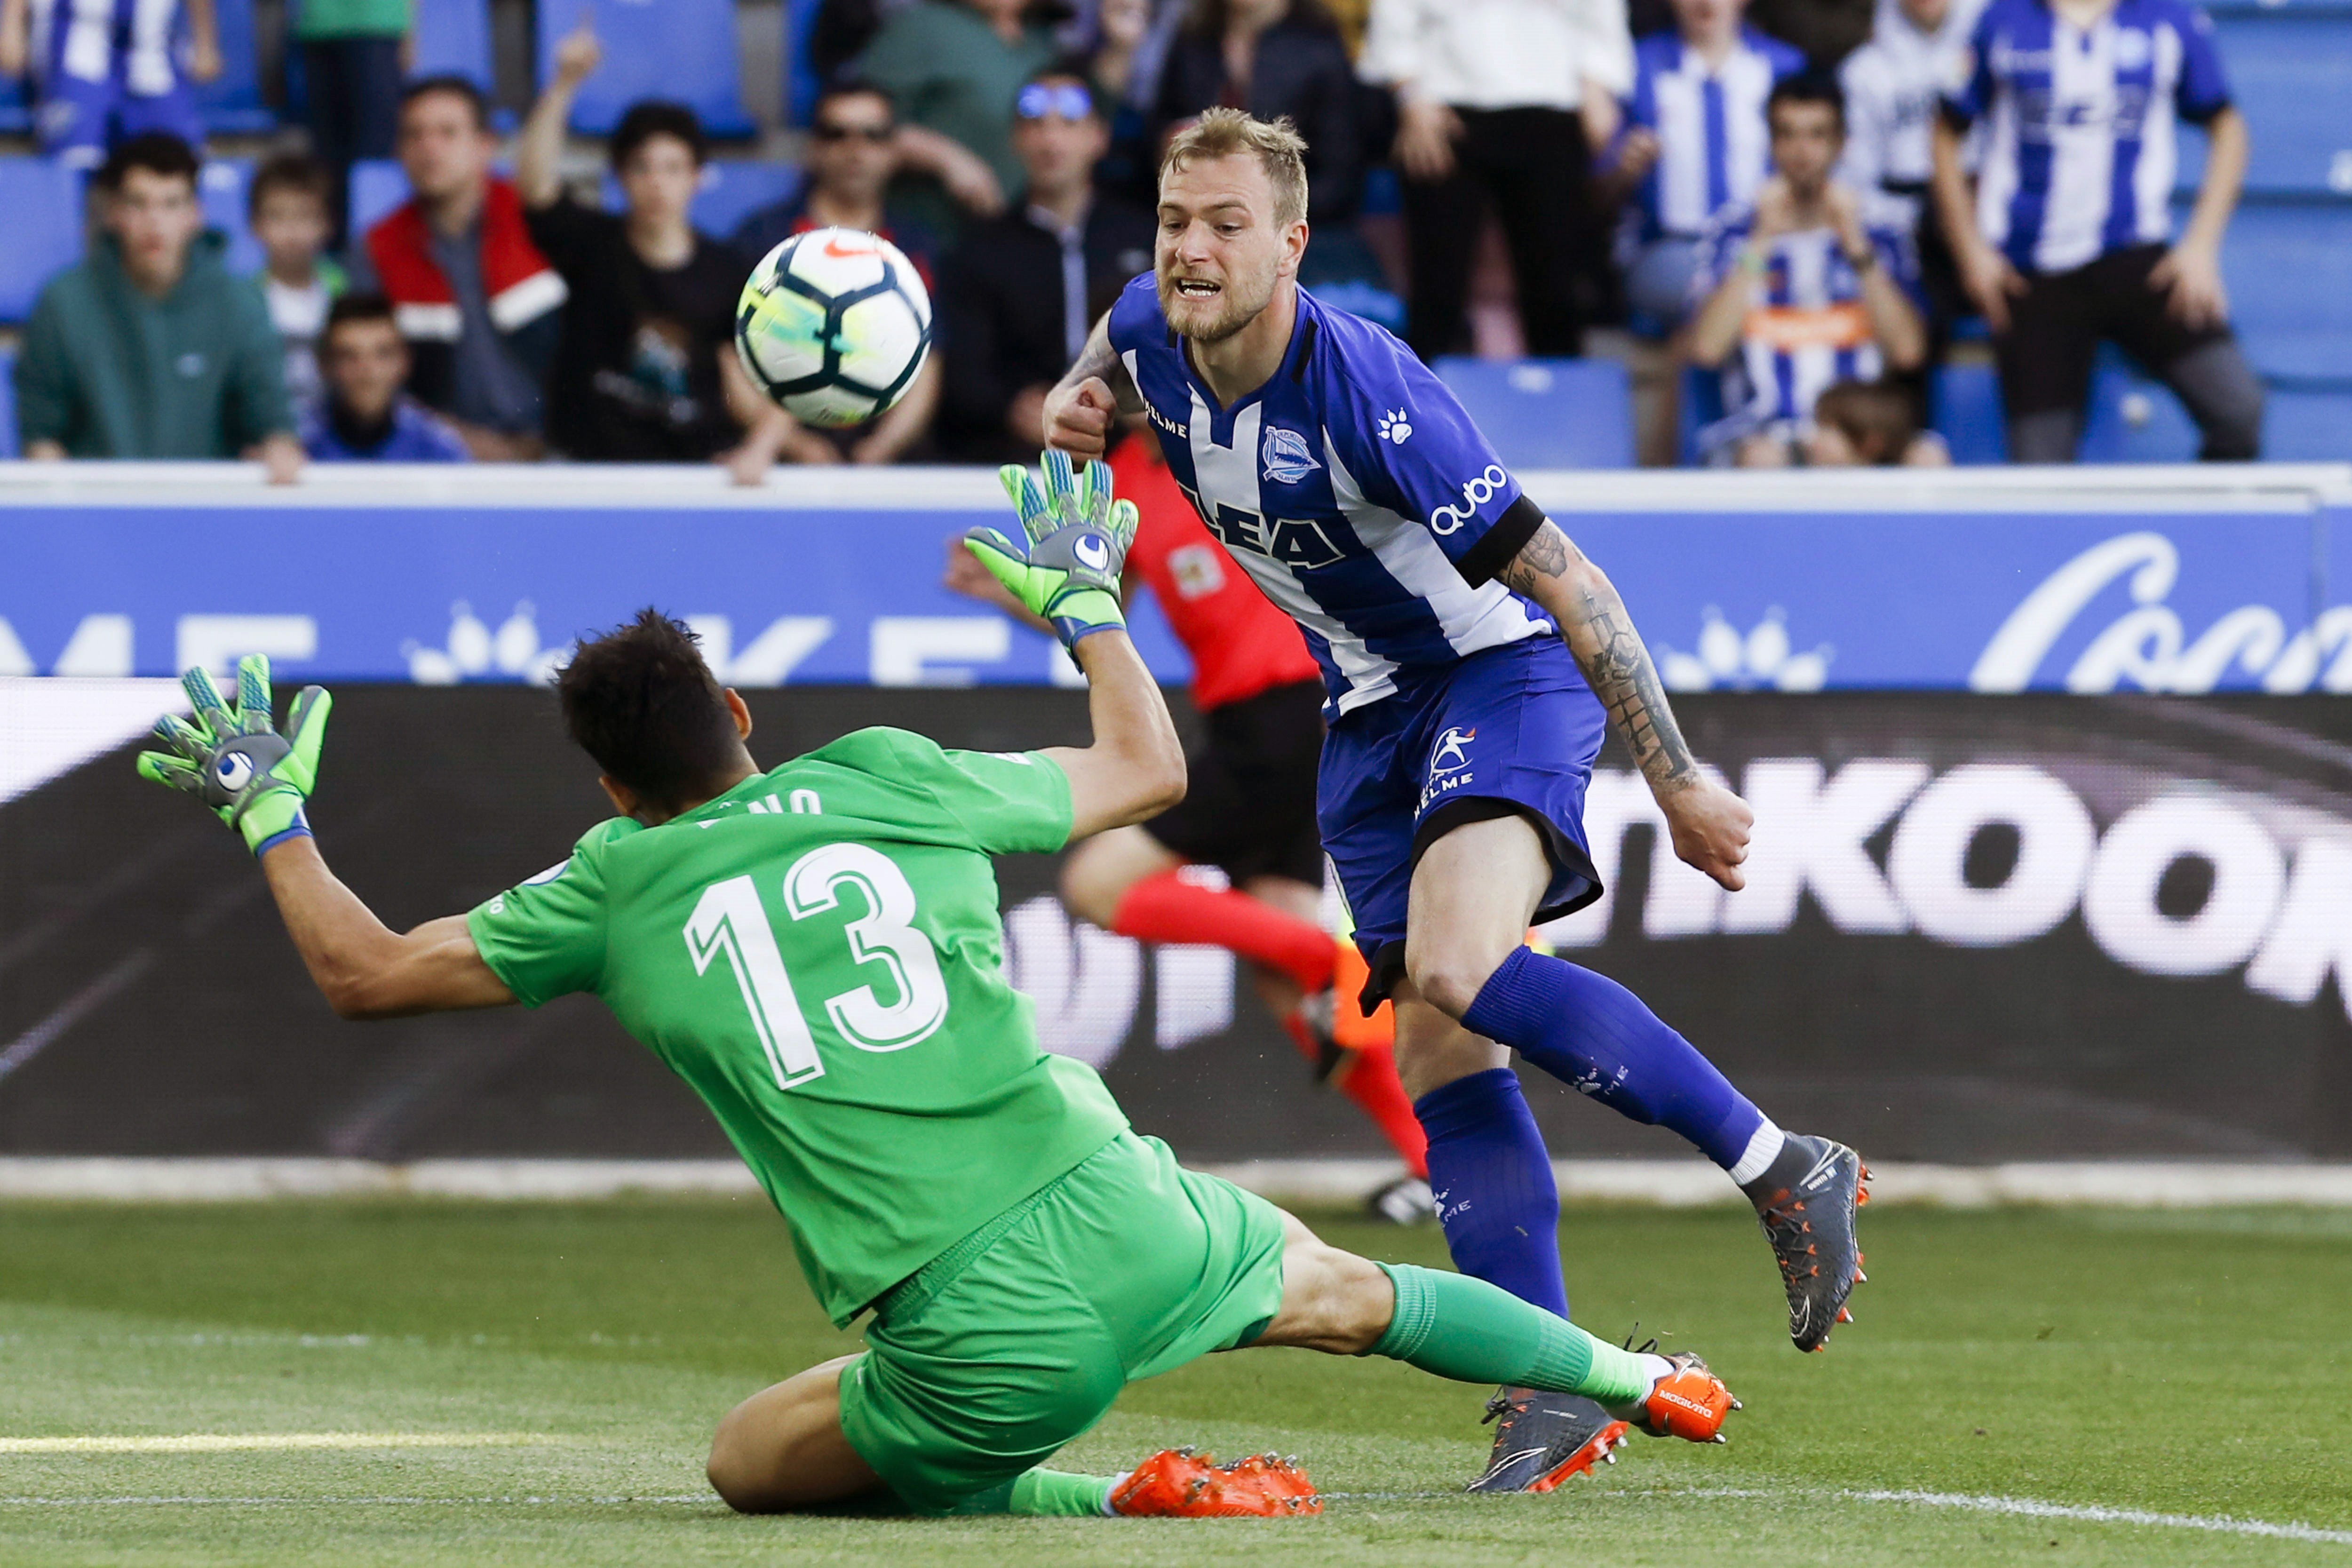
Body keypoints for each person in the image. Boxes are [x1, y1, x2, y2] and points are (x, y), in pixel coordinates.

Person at [128, 472, 1745, 1520]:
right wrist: (1088, 609)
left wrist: (272, 809)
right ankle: (1630, 1371)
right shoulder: (888, 774)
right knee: (1354, 1292)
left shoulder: (608, 890)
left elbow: (361, 971)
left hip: (978, 1336)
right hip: (1132, 1205)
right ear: (745, 714)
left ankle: (1122, 1497)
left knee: (749, 1458)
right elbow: (1147, 765)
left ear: (615, 789)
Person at [1041, 109, 1867, 1492]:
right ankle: (1548, 1385)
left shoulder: (1372, 392)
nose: (1191, 248)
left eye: (1225, 224)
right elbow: (1078, 427)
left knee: (1458, 963)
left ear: (1291, 243)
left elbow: (1568, 581)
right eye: (1177, 221)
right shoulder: (1138, 330)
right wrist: (1067, 448)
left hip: (1495, 675)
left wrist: (1673, 781)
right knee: (1435, 1054)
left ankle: (1784, 1161)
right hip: (1361, 716)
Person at [946, 430, 1435, 1221]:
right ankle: (1435, 1165)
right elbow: (1100, 607)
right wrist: (1001, 592)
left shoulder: (1221, 440)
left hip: (1289, 707)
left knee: (1097, 883)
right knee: (1286, 977)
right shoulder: (1117, 485)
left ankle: (1333, 958)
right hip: (1265, 721)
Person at [1932, 0, 2263, 461]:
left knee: (2237, 410)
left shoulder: (2167, 18)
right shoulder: (2000, 20)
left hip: (2137, 261)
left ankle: (2198, 532)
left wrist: (2201, 246)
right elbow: (1945, 132)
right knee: (2038, 464)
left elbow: (2227, 127)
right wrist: (1970, 251)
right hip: (2033, 274)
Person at [517, 33, 845, 478]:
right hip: (585, 468)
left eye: (672, 168)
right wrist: (564, 83)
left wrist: (762, 449)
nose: (656, 182)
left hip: (689, 472)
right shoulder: (591, 245)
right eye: (641, 167)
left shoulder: (730, 273)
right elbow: (535, 186)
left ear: (696, 177)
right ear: (619, 177)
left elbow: (785, 370)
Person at [14, 132, 301, 481]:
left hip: (207, 518)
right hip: (95, 520)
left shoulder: (241, 304)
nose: (155, 222)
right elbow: (41, 435)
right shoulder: (62, 303)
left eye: (171, 204)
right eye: (139, 203)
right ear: (114, 213)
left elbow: (272, 421)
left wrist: (279, 447)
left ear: (195, 214)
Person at [1359, 0, 1629, 360]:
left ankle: (1563, 409)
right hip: (1443, 109)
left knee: (1556, 291)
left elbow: (1601, 14)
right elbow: (1396, 14)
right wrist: (1411, 98)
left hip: (1553, 105)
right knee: (1437, 289)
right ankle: (1419, 410)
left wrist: (1599, 82)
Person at [1685, 74, 1927, 466]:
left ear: (1842, 143)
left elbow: (1907, 352)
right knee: (1762, 459)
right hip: (1764, 432)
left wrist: (1857, 247)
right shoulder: (1733, 232)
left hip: (1861, 430)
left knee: (1927, 456)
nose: (1802, 151)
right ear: (1771, 143)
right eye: (1788, 135)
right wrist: (1761, 241)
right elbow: (1708, 349)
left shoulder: (1880, 232)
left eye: (1817, 135)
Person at [935, 67, 1154, 464]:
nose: (1051, 140)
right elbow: (963, 376)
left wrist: (1116, 410)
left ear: (1099, 137)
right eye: (1035, 125)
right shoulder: (980, 248)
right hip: (1014, 459)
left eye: (1069, 124)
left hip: (1134, 453)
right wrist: (1011, 407)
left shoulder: (1146, 239)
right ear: (1016, 139)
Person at [362, 75, 566, 462]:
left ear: (485, 146)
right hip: (437, 460)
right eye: (414, 135)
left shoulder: (544, 226)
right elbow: (368, 373)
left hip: (562, 453)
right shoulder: (376, 248)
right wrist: (460, 441)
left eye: (447, 132)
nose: (429, 148)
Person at [1612, 0, 1805, 331]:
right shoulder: (1635, 66)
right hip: (1673, 251)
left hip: (1764, 244)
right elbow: (1595, 191)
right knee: (1706, 288)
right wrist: (1623, 170)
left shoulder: (1785, 67)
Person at [1837, 0, 1984, 338]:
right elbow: (1854, 176)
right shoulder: (1863, 71)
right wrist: (1899, 225)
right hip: (1901, 230)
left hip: (1981, 218)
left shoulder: (1992, 47)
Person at [859, 0, 1060, 239]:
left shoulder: (1044, 39)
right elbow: (857, 118)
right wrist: (946, 158)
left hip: (1022, 239)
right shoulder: (925, 26)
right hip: (932, 234)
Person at [1153, 0, 1364, 224]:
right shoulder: (1192, 39)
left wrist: (1262, 209)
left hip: (1296, 225)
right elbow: (1157, 132)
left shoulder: (1322, 50)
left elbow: (1340, 177)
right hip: (1189, 210)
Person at [731, 82, 939, 285]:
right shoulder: (761, 240)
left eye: (873, 135)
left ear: (894, 150)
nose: (855, 150)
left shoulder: (922, 248)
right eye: (836, 134)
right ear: (814, 147)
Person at [0, 0, 218, 168]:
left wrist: (206, 42)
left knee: (182, 164)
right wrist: (11, 26)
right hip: (76, 46)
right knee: (75, 162)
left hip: (153, 50)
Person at [300, 293, 469, 462]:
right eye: (349, 356)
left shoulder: (439, 449)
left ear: (405, 361)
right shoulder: (297, 444)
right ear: (324, 365)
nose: (367, 370)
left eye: (383, 354)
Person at [294, 0, 410, 246]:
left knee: (374, 152)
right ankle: (333, 249)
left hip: (378, 23)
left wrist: (409, 32)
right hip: (318, 25)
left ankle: (373, 248)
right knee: (328, 154)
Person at [247, 153, 349, 415]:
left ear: (328, 224)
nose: (291, 230)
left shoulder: (345, 293)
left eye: (305, 216)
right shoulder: (242, 300)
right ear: (255, 225)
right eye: (277, 216)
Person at [1803, 376, 1947, 465]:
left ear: (1871, 442)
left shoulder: (1917, 462)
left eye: (1828, 429)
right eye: (1819, 426)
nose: (1814, 440)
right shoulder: (1795, 456)